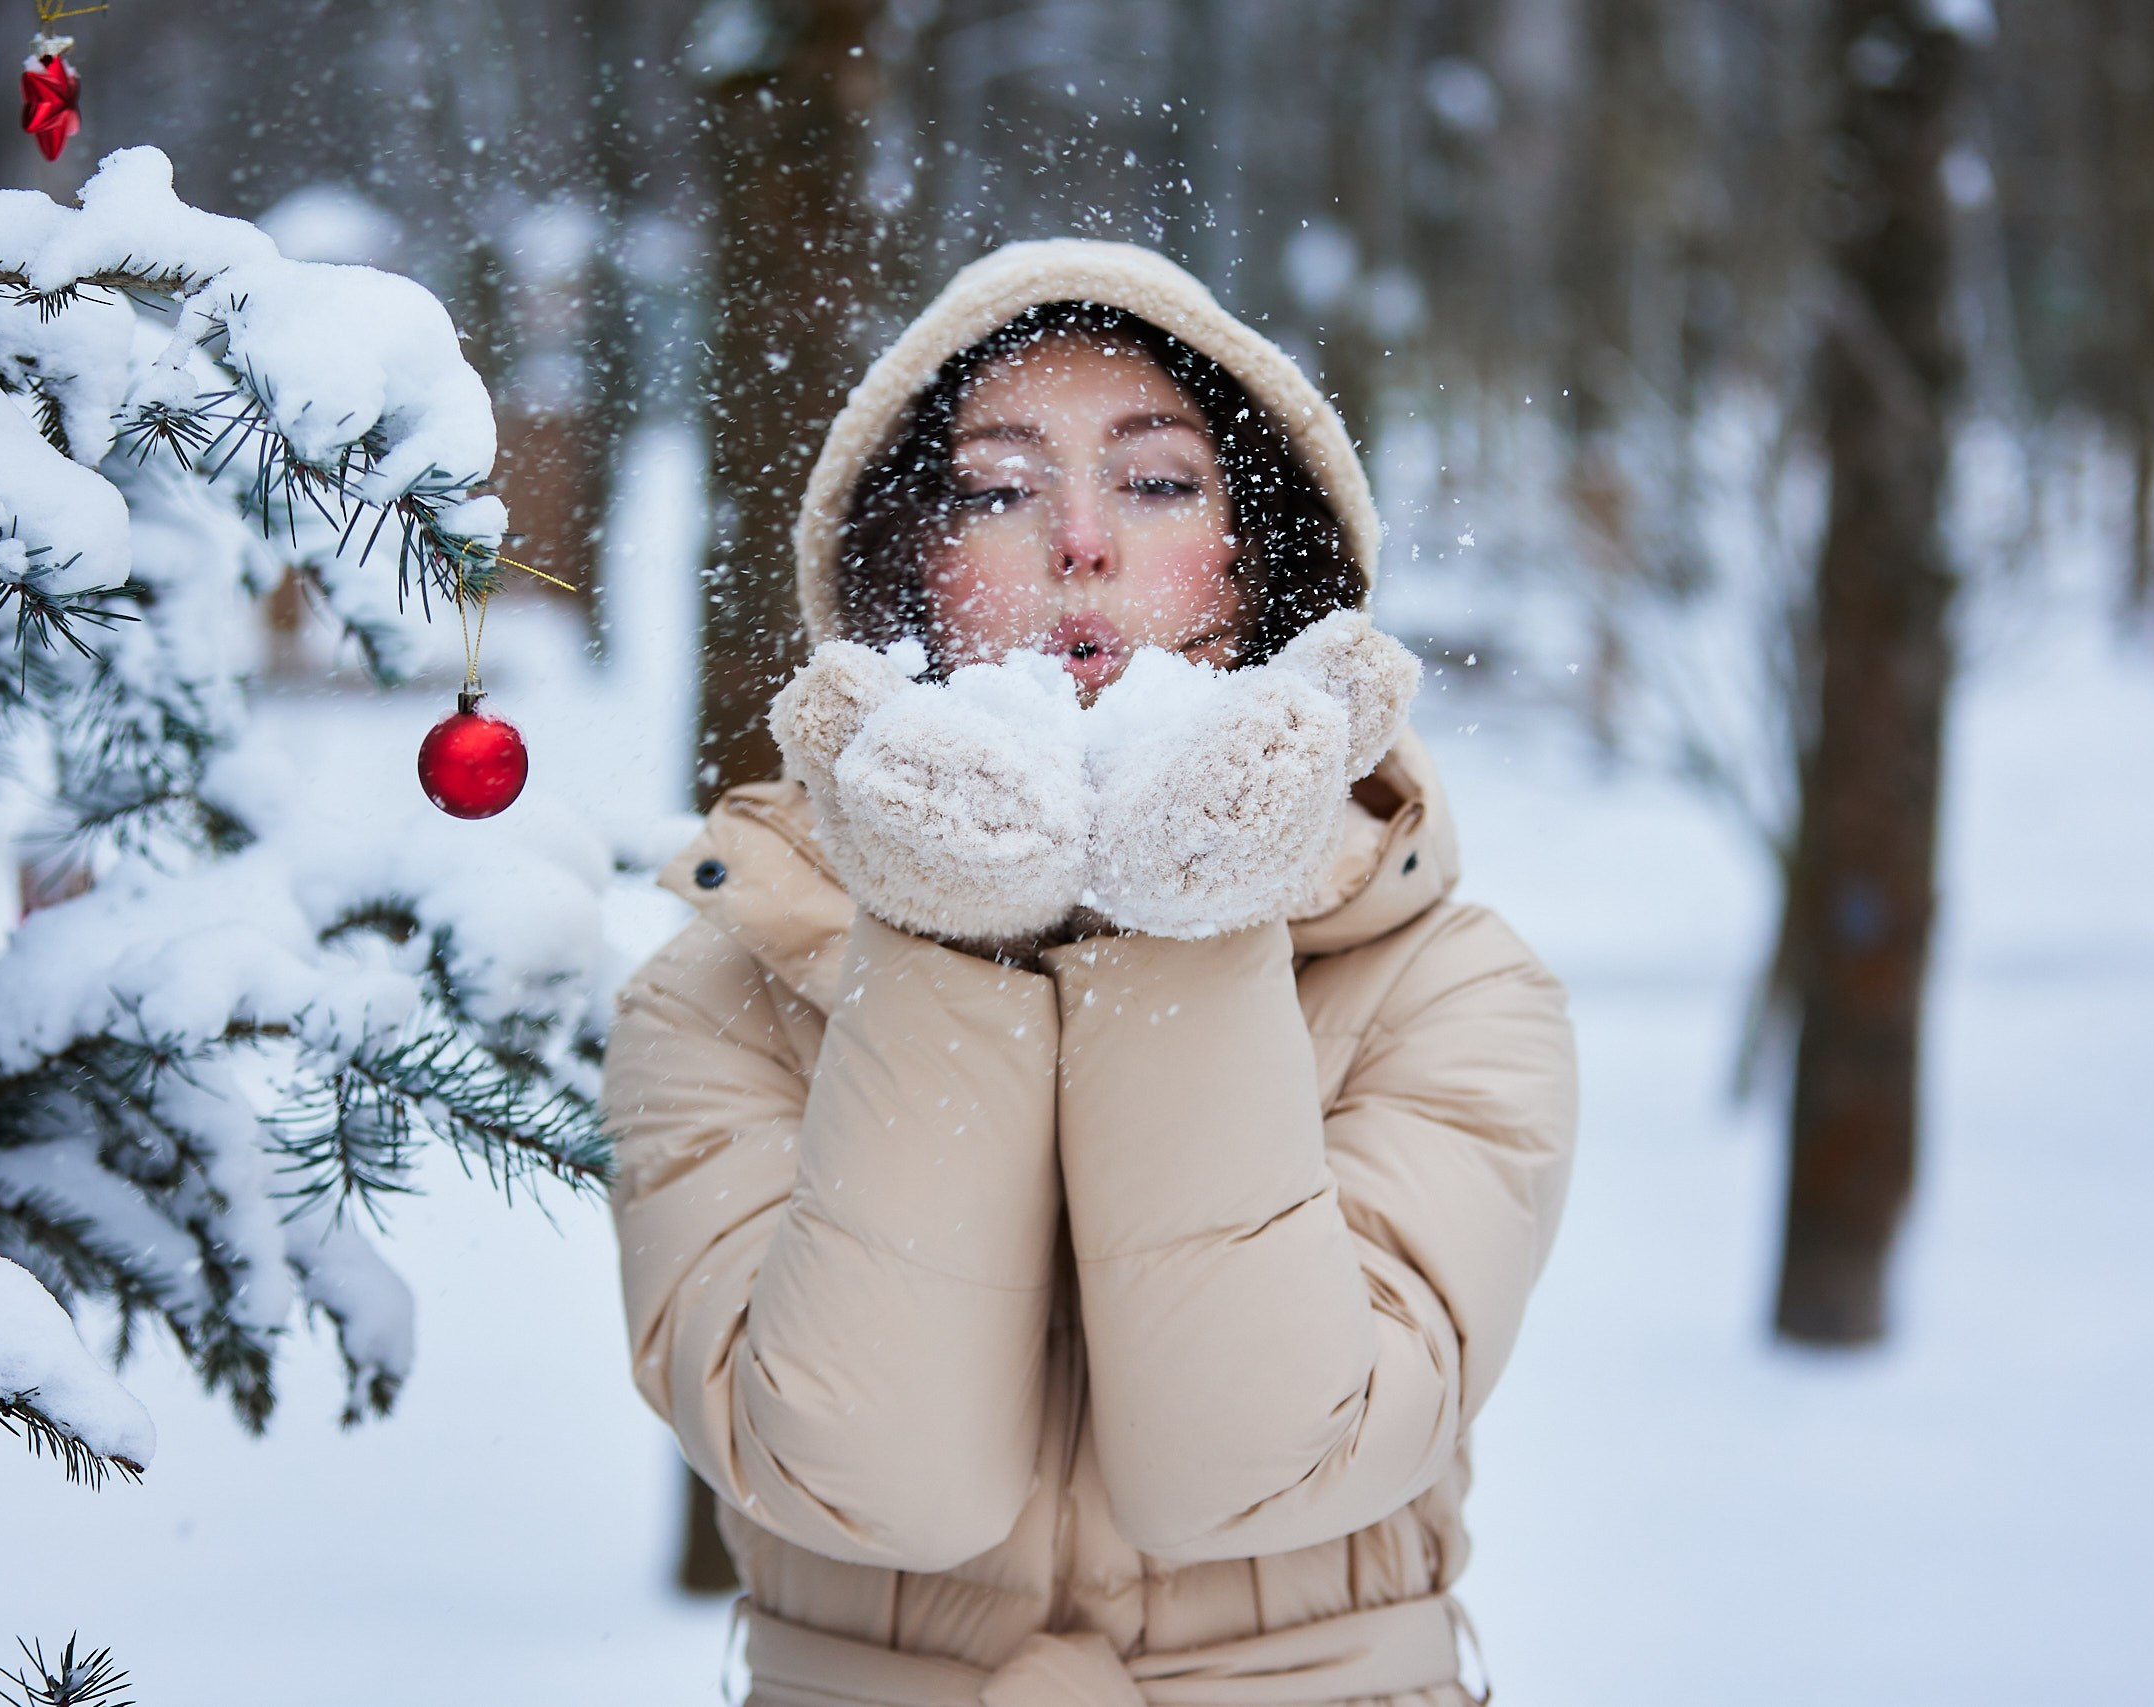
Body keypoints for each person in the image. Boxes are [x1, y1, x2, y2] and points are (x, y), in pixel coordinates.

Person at [605, 240, 1578, 1707]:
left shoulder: (1454, 987)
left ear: (1266, 566)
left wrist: (1191, 911)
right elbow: (875, 1481)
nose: (1079, 542)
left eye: (1160, 481)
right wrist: (940, 926)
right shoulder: (717, 992)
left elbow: (1261, 1471)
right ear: (900, 574)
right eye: (998, 490)